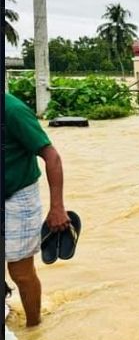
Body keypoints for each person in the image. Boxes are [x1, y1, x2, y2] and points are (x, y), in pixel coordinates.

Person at [4, 92, 71, 326]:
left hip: (18, 196)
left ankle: (34, 326)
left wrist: (57, 208)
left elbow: (52, 157)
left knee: (21, 272)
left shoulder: (12, 111)